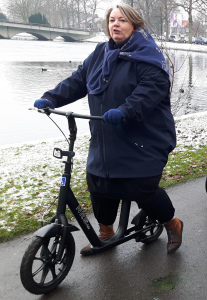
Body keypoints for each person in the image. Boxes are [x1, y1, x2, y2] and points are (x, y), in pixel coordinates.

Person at [33, 4, 183, 255]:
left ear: (134, 25)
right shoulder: (101, 52)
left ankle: (172, 223)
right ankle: (106, 234)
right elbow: (79, 80)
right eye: (112, 20)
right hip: (106, 136)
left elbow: (149, 91)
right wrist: (51, 98)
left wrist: (126, 111)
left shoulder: (149, 57)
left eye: (122, 20)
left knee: (141, 187)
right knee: (98, 181)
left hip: (143, 139)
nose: (115, 24)